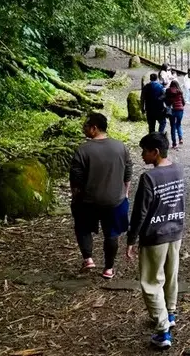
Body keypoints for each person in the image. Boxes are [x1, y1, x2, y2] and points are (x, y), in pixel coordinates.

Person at [127, 133, 185, 349]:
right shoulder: (178, 170)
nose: (142, 155)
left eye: (145, 151)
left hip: (155, 235)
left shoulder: (149, 178)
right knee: (171, 275)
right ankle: (170, 313)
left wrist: (132, 239)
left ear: (156, 152)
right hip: (175, 230)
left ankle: (163, 332)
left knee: (151, 282)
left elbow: (140, 212)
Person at [69, 113, 132, 279]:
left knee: (82, 227)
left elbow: (76, 179)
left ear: (94, 128)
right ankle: (109, 268)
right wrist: (125, 192)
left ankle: (88, 258)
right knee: (111, 234)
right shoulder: (121, 146)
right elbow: (128, 171)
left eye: (86, 126)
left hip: (88, 200)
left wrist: (76, 198)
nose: (83, 129)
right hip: (115, 200)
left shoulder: (83, 150)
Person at [164, 80, 185, 149]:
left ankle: (174, 143)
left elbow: (166, 101)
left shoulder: (168, 91)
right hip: (180, 110)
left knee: (172, 126)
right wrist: (181, 105)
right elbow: (183, 102)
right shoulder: (180, 91)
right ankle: (180, 138)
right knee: (178, 124)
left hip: (172, 110)